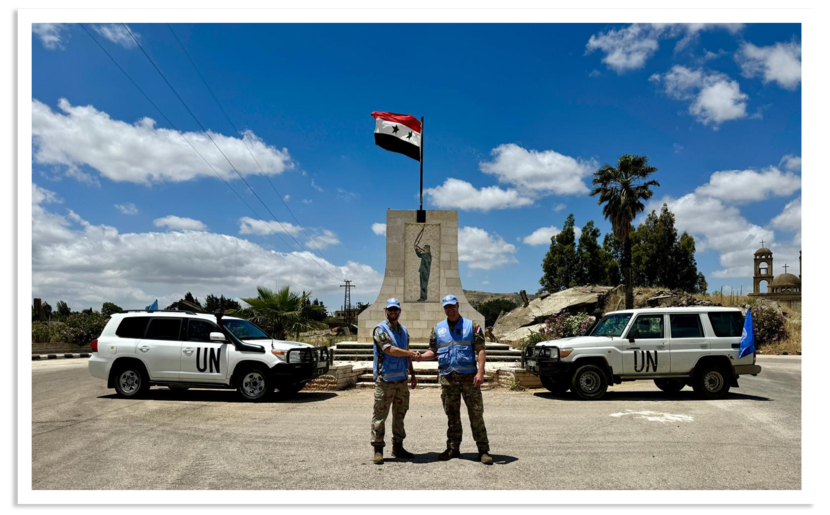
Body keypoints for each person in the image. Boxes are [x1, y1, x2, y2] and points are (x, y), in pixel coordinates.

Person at [415, 294, 492, 465]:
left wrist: (480, 373)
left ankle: (483, 450)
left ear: (457, 306)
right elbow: (433, 351)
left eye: (452, 306)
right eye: (447, 307)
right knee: (452, 415)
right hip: (448, 379)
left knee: (476, 414)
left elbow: (480, 350)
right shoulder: (438, 329)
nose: (450, 310)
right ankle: (453, 448)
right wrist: (421, 357)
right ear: (444, 308)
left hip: (469, 378)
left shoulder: (472, 326)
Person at [371, 298, 419, 465]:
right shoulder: (380, 329)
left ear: (399, 311)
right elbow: (389, 350)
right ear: (386, 311)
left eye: (395, 310)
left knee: (400, 415)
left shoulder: (404, 330)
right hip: (385, 380)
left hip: (401, 380)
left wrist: (412, 373)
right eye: (390, 310)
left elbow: (406, 352)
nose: (393, 312)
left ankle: (398, 447)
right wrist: (410, 354)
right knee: (380, 416)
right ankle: (378, 449)